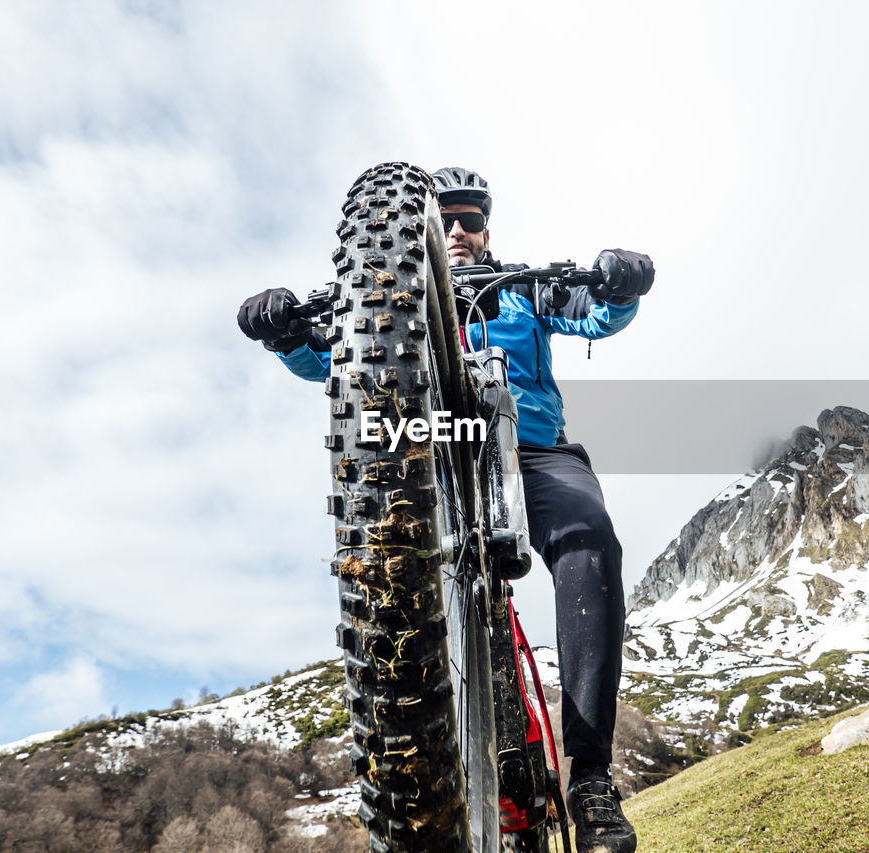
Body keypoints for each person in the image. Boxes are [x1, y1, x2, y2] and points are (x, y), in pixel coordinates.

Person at [237, 166, 653, 853]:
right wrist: (284, 333)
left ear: (488, 230)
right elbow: (334, 359)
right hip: (431, 459)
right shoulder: (390, 295)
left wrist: (620, 284)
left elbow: (594, 312)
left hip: (533, 451)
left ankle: (592, 780)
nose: (457, 232)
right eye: (447, 220)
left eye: (470, 220)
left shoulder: (521, 285)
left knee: (589, 537)